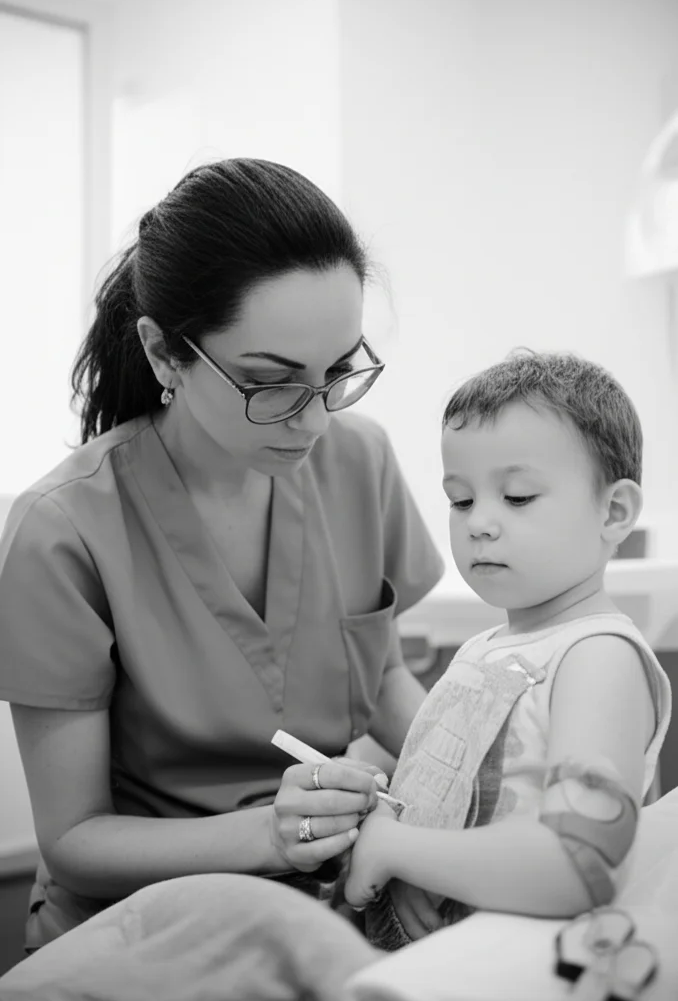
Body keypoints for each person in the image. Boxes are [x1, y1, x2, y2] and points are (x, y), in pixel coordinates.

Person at [0, 158, 445, 952]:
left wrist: (479, 770)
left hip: (330, 907)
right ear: (165, 355)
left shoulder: (359, 459)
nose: (312, 422)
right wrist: (266, 839)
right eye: (269, 383)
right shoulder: (63, 530)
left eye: (338, 371)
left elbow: (382, 680)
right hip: (139, 931)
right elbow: (75, 839)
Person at [342, 350, 672, 950]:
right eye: (461, 500)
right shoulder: (486, 650)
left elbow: (581, 863)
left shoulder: (597, 659)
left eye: (517, 497)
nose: (480, 523)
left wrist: (402, 850)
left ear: (615, 511)